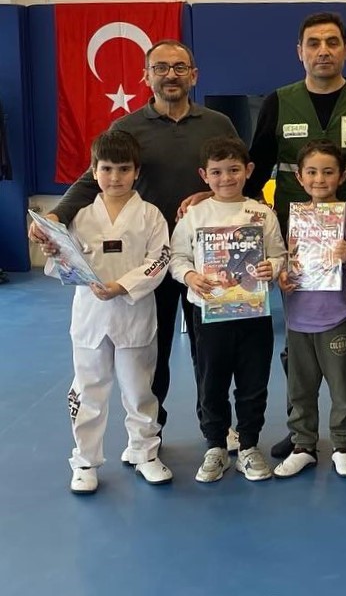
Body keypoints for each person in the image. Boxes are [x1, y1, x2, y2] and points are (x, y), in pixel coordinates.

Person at [30, 40, 240, 436]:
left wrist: (209, 194)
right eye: (160, 67)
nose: (170, 75)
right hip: (150, 259)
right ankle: (150, 433)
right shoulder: (127, 127)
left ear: (194, 75)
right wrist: (55, 217)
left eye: (179, 67)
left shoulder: (218, 124)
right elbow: (92, 178)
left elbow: (235, 175)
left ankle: (216, 429)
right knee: (151, 354)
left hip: (206, 258)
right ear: (146, 76)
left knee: (211, 351)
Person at [241, 12, 346, 459]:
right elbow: (255, 169)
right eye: (314, 43)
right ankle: (301, 429)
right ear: (300, 52)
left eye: (332, 42)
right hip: (299, 246)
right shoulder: (279, 102)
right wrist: (223, 205)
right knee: (300, 338)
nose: (323, 51)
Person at [41, 131, 173, 494]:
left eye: (124, 169)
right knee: (87, 391)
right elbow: (64, 262)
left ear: (137, 172)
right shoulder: (80, 215)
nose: (115, 177)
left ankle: (144, 452)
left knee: (139, 390)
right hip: (91, 316)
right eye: (107, 169)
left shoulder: (150, 215)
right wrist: (54, 251)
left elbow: (160, 260)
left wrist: (123, 286)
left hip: (134, 314)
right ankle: (85, 460)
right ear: (94, 171)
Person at [170, 137, 286, 483]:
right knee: (211, 382)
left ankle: (248, 445)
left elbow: (279, 255)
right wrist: (190, 276)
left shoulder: (261, 213)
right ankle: (216, 446)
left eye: (234, 170)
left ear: (248, 171)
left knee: (253, 381)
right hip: (209, 315)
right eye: (217, 172)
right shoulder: (194, 215)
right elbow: (176, 257)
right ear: (204, 175)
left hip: (254, 314)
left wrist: (270, 267)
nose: (226, 178)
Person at [272, 140, 346, 479]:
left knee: (342, 389)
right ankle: (303, 446)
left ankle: (342, 445)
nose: (319, 179)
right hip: (299, 317)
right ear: (299, 177)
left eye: (328, 172)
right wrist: (283, 275)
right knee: (300, 389)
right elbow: (286, 260)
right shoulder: (294, 216)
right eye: (311, 172)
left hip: (339, 316)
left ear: (342, 176)